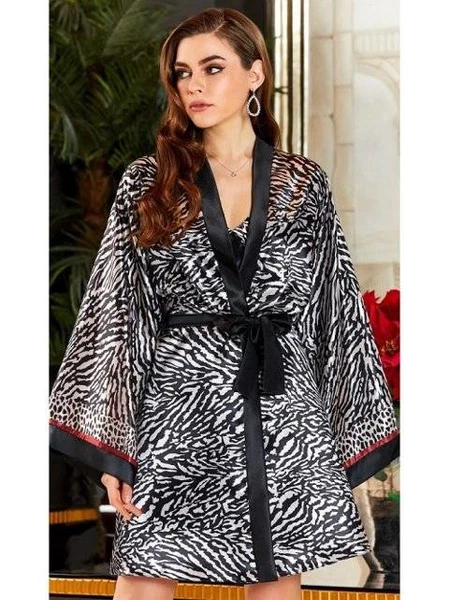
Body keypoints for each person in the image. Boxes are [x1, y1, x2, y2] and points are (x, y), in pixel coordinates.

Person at [49, 7, 400, 600]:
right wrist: (115, 449)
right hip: (176, 413)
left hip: (283, 411)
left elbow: (335, 309)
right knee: (143, 577)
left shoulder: (302, 183)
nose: (195, 86)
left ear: (255, 74)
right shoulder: (149, 181)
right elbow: (118, 315)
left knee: (276, 571)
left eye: (213, 68)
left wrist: (348, 434)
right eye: (183, 73)